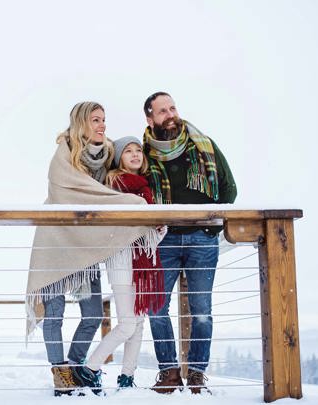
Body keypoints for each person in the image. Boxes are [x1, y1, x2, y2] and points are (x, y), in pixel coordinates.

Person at [26, 102, 157, 396]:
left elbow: (116, 184)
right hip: (57, 245)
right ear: (81, 123)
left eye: (104, 120)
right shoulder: (62, 158)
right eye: (95, 120)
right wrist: (134, 204)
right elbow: (88, 198)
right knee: (55, 313)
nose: (102, 125)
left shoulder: (107, 156)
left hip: (86, 248)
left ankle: (76, 369)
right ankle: (61, 376)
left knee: (93, 314)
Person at [142, 92, 237, 394]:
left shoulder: (204, 145)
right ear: (150, 118)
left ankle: (196, 374)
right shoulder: (143, 152)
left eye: (172, 107)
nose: (169, 114)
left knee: (201, 310)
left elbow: (228, 189)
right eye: (162, 111)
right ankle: (168, 372)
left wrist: (210, 227)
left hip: (201, 239)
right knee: (156, 308)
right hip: (163, 239)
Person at [78, 136, 166, 391]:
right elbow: (118, 225)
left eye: (138, 150)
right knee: (128, 323)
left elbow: (152, 232)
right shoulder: (114, 184)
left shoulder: (145, 187)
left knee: (138, 322)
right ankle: (89, 368)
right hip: (121, 257)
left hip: (143, 259)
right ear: (119, 158)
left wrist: (160, 228)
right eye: (128, 151)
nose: (136, 154)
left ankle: (127, 377)